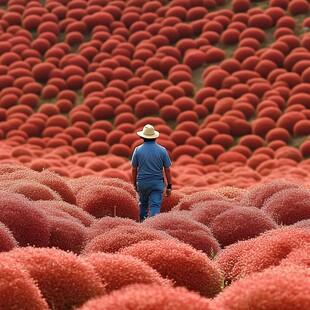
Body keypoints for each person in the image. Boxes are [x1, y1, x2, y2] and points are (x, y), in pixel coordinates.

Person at [131, 124, 172, 222]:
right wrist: (169, 186)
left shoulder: (137, 150)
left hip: (142, 182)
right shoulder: (162, 150)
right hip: (157, 183)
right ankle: (153, 226)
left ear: (142, 137)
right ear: (154, 137)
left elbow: (134, 169)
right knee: (155, 206)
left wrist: (134, 183)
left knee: (143, 204)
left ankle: (143, 225)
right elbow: (167, 169)